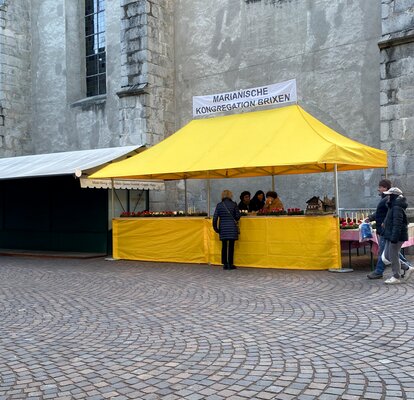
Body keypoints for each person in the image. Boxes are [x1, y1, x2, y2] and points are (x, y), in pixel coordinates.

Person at [367, 179, 412, 280]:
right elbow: (387, 215)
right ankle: (407, 267)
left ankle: (385, 272)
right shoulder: (390, 203)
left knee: (387, 253)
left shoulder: (395, 205)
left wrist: (393, 237)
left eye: (380, 187)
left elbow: (397, 222)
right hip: (387, 231)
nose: (379, 189)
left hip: (389, 232)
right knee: (390, 253)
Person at [381, 187, 412, 284]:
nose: (387, 197)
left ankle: (396, 276)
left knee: (392, 255)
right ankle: (407, 268)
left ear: (394, 196)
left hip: (396, 236)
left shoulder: (397, 207)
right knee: (387, 256)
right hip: (391, 234)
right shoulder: (393, 206)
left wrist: (394, 237)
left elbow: (397, 224)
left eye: (389, 195)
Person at [213, 190, 241, 270]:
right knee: (231, 246)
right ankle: (230, 264)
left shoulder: (219, 205)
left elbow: (215, 218)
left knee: (224, 246)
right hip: (232, 228)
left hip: (223, 229)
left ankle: (225, 264)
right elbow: (238, 216)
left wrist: (216, 229)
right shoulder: (234, 204)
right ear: (230, 195)